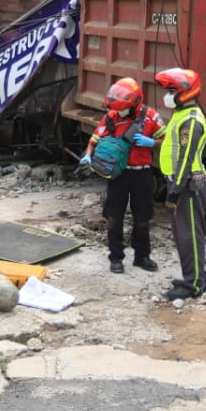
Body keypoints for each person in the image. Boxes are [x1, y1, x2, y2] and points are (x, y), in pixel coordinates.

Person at [78, 77, 163, 274]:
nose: (119, 112)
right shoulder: (111, 117)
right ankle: (116, 258)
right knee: (114, 217)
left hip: (142, 174)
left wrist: (152, 143)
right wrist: (88, 158)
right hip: (117, 175)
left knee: (142, 218)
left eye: (123, 109)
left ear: (135, 103)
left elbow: (166, 141)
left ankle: (142, 257)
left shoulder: (151, 117)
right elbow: (94, 141)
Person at [153, 68, 206, 301]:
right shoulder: (180, 114)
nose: (167, 95)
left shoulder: (191, 120)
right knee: (182, 235)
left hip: (188, 183)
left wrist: (175, 189)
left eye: (171, 91)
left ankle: (194, 285)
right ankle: (194, 278)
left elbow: (186, 158)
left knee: (190, 236)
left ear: (186, 92)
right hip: (181, 182)